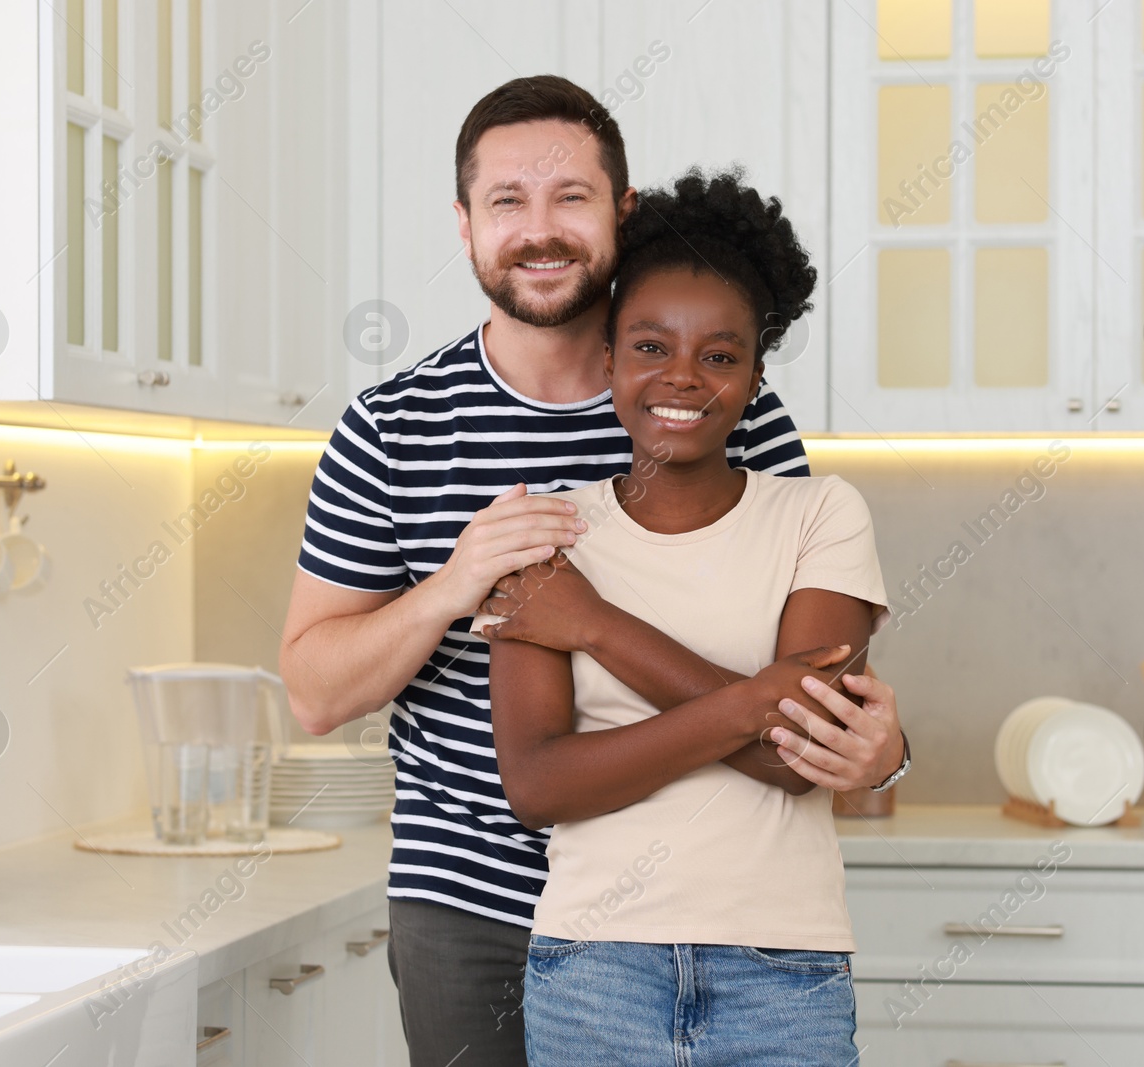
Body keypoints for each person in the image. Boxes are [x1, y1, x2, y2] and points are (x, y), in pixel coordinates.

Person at [279, 76, 907, 1067]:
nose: (539, 229)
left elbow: (801, 679)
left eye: (569, 196)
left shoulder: (726, 416)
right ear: (465, 223)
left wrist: (879, 750)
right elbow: (314, 694)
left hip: (714, 903)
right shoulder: (390, 428)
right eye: (506, 202)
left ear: (620, 210)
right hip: (467, 899)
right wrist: (456, 583)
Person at [482, 168, 889, 1065]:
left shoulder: (820, 515)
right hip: (594, 973)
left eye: (719, 354)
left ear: (752, 374)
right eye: (651, 346)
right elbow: (538, 785)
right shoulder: (541, 538)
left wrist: (596, 627)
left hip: (783, 975)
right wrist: (758, 702)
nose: (683, 378)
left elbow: (802, 760)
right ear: (609, 361)